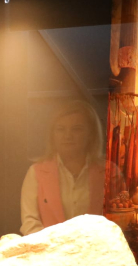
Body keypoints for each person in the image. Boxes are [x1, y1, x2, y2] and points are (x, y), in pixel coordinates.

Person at [20, 100, 105, 235]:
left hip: (95, 247)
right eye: (61, 129)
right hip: (48, 247)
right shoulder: (36, 173)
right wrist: (52, 246)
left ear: (91, 134)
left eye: (76, 129)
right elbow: (30, 222)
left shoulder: (108, 173)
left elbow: (117, 221)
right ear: (52, 134)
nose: (68, 136)